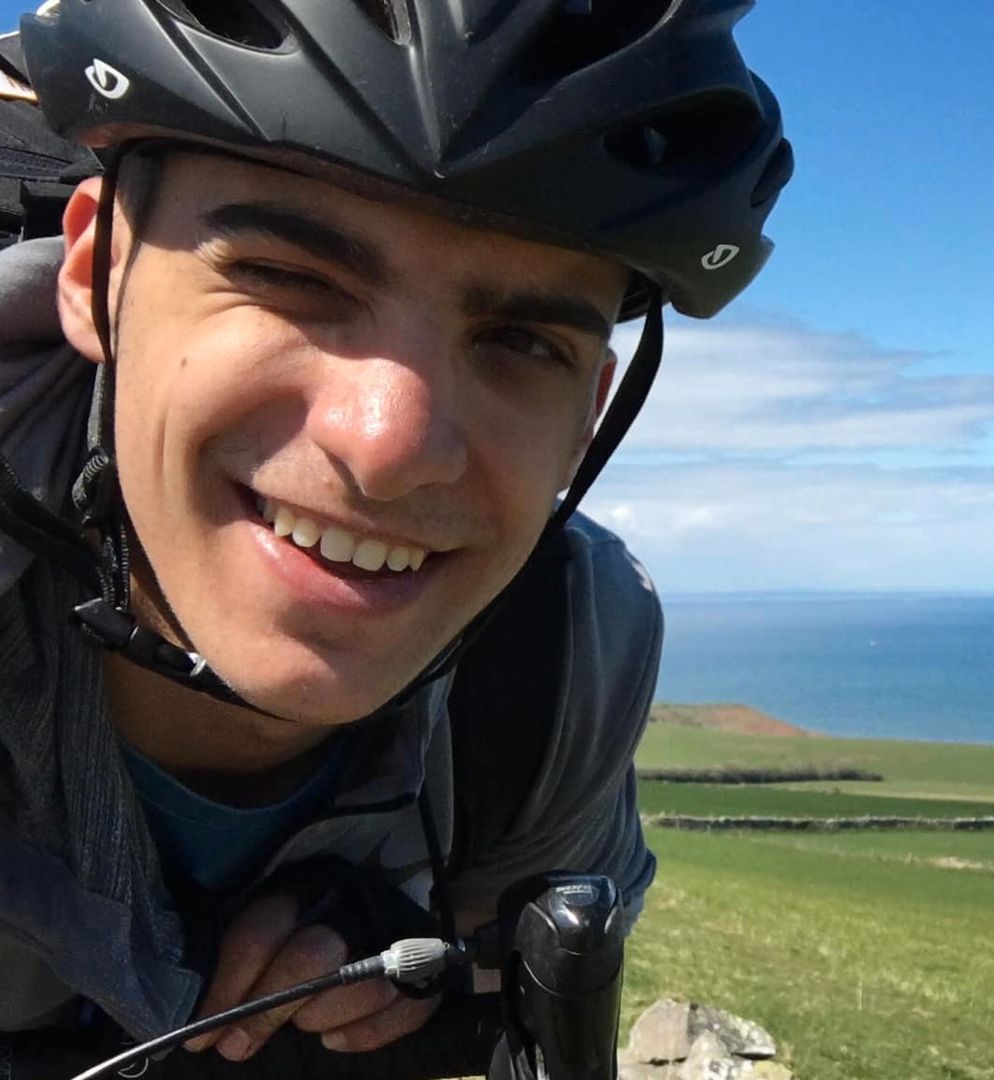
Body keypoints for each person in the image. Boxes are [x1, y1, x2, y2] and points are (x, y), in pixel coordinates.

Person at [0, 0, 791, 1065]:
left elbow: (530, 1002)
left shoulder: (565, 654)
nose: (389, 446)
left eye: (520, 341)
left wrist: (441, 959)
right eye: (287, 277)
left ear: (586, 419)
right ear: (99, 277)